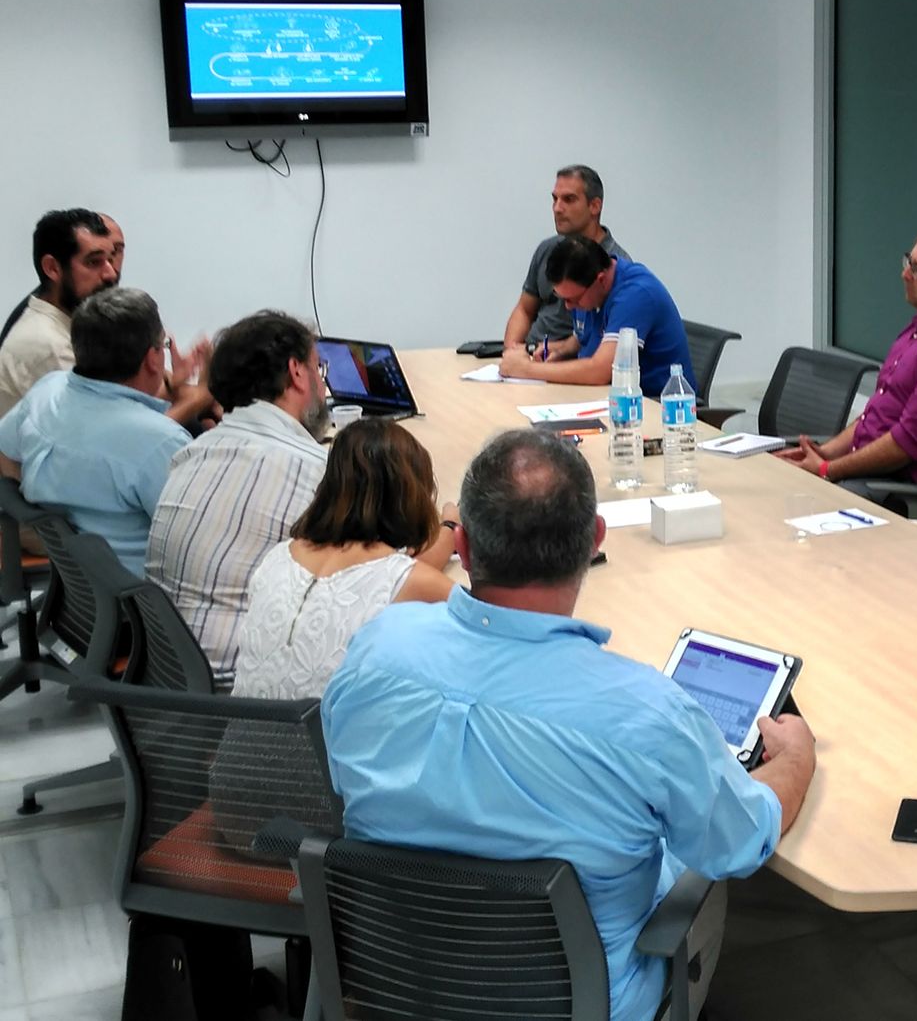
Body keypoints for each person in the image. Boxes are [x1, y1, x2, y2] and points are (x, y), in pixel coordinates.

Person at [321, 429, 816, 1020]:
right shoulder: (647, 715)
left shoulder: (375, 649)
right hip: (577, 1006)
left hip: (394, 986)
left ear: (466, 548)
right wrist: (794, 759)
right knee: (692, 861)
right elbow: (741, 843)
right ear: (594, 543)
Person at [147, 311, 330, 692]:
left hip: (166, 677)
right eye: (319, 368)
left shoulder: (189, 454)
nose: (323, 385)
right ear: (296, 372)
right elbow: (392, 573)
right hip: (243, 697)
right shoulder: (315, 472)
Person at [230, 419, 458, 701]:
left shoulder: (279, 556)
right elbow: (489, 629)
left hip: (238, 738)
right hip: (333, 744)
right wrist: (452, 526)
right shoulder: (414, 582)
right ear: (410, 497)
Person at [778, 225, 917, 496]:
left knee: (793, 508)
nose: (905, 274)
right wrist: (823, 453)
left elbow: (908, 442)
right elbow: (878, 414)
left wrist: (828, 469)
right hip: (870, 475)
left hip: (905, 492)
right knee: (776, 483)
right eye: (909, 262)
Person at [0, 289, 211, 575]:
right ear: (153, 358)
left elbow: (5, 453)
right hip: (144, 603)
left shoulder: (47, 391)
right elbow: (199, 543)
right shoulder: (162, 441)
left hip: (77, 588)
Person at [496, 235, 694, 398]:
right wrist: (557, 350)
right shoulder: (590, 292)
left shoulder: (636, 295)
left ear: (600, 280)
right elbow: (582, 338)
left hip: (656, 406)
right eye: (562, 298)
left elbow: (600, 370)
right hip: (606, 397)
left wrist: (525, 370)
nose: (568, 306)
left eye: (573, 299)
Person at [0, 209, 117, 417]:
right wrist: (192, 401)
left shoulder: (70, 325)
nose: (111, 273)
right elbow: (102, 437)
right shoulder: (47, 344)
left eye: (111, 258)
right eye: (94, 262)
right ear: (52, 268)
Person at [502, 164, 630, 351]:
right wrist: (511, 350)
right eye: (555, 199)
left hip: (569, 363)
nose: (557, 208)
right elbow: (524, 309)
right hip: (530, 355)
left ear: (594, 206)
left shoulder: (615, 265)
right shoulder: (548, 249)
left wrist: (545, 355)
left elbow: (601, 343)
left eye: (569, 199)